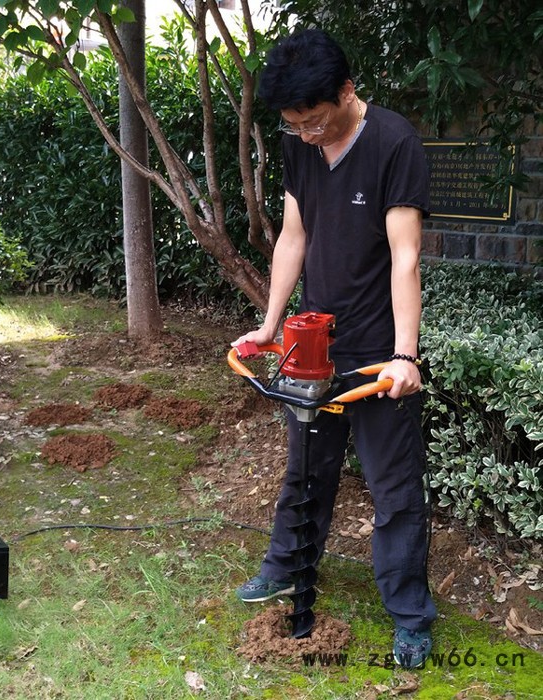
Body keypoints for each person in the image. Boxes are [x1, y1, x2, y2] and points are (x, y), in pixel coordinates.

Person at [231, 28, 437, 668]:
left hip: (377, 350)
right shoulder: (299, 147)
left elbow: (406, 256)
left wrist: (405, 355)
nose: (308, 134)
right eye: (295, 126)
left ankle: (409, 616)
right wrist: (271, 325)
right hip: (312, 342)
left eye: (316, 121)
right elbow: (293, 235)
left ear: (347, 93)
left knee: (393, 486)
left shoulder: (394, 143)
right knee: (306, 468)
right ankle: (288, 567)